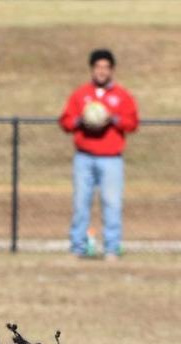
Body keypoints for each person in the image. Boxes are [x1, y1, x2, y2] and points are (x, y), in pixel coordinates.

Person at [59, 49, 138, 261]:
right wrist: (81, 120)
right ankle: (77, 247)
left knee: (112, 204)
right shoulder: (80, 94)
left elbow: (132, 123)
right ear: (92, 69)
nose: (101, 71)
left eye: (106, 67)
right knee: (80, 204)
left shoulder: (122, 96)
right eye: (98, 67)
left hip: (111, 158)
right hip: (84, 157)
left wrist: (113, 119)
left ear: (112, 70)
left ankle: (111, 248)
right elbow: (65, 122)